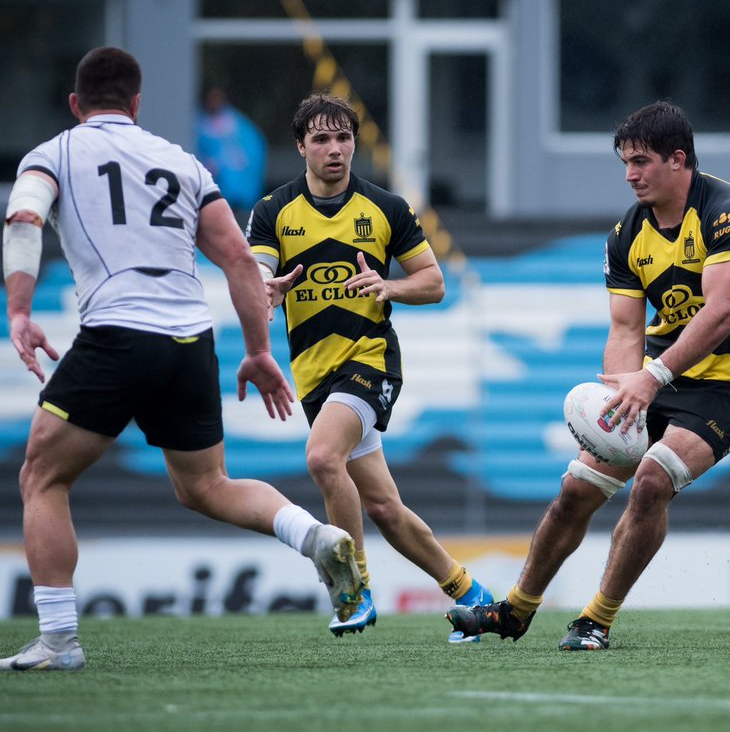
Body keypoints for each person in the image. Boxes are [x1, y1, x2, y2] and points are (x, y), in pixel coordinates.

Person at [1, 47, 363, 672]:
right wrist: (257, 350)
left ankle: (59, 640)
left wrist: (20, 311)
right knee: (206, 486)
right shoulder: (181, 161)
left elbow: (24, 217)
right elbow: (239, 261)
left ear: (74, 103)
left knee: (42, 477)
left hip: (116, 332)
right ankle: (316, 535)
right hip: (190, 343)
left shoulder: (53, 152)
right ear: (137, 104)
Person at [447, 100, 730, 650]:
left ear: (678, 160)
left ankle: (595, 620)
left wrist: (655, 377)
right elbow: (625, 329)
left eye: (641, 161)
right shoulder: (626, 232)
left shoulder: (728, 212)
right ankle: (516, 611)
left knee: (650, 482)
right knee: (575, 490)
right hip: (659, 376)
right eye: (624, 162)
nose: (630, 174)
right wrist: (622, 394)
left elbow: (719, 315)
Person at [246, 93, 491, 640]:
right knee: (383, 506)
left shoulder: (387, 208)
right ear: (300, 147)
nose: (335, 150)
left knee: (321, 456)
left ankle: (352, 591)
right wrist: (270, 290)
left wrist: (390, 285)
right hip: (315, 376)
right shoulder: (272, 211)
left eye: (344, 138)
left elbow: (434, 282)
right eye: (321, 139)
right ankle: (471, 595)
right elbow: (255, 283)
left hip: (370, 361)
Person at [195, 86, 267, 221]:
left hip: (242, 198)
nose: (214, 101)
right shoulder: (198, 124)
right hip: (213, 197)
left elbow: (254, 151)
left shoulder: (238, 124)